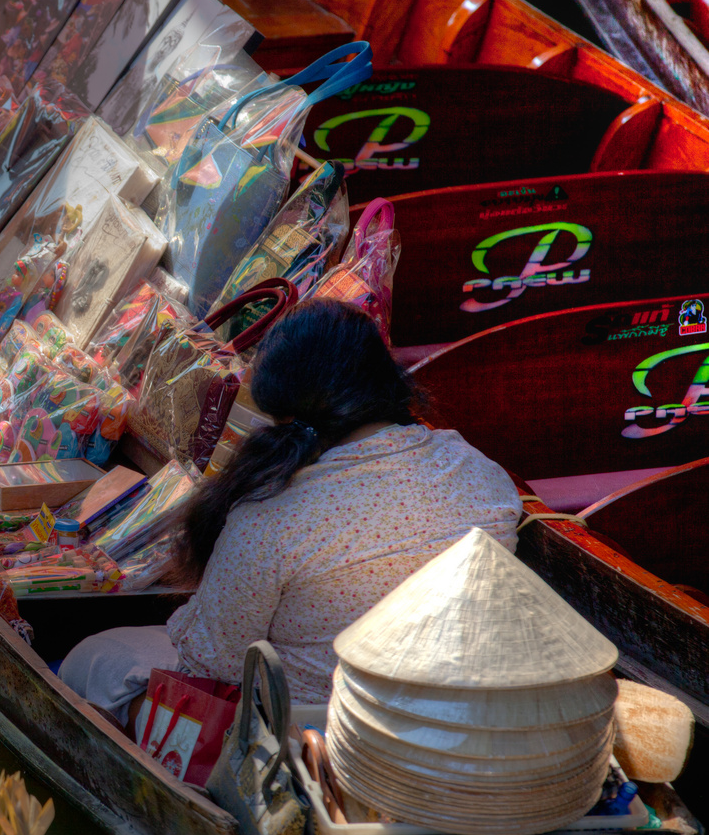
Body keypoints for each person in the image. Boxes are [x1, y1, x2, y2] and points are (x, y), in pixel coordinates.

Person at [61, 299, 521, 719]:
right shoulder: (478, 470)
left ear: (280, 412)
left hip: (310, 740)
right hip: (456, 717)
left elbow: (210, 663)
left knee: (94, 658)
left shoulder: (267, 520)